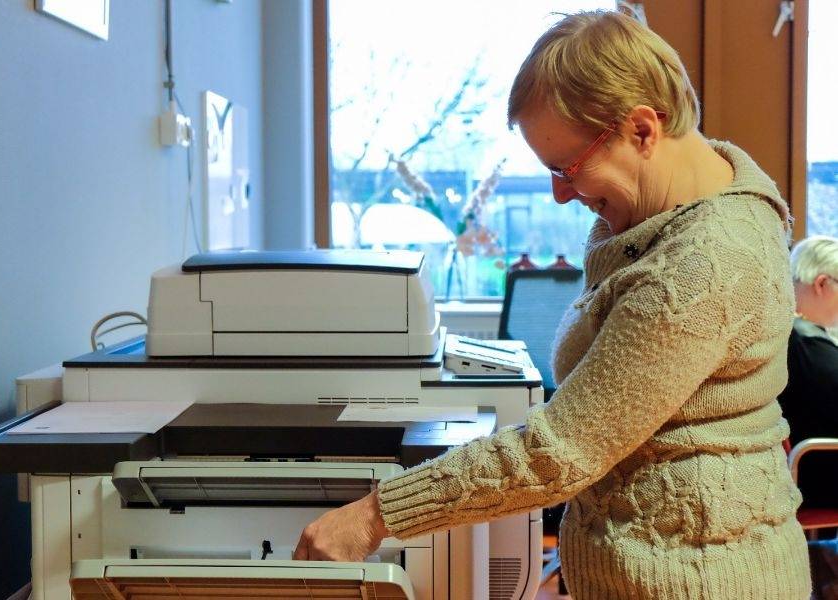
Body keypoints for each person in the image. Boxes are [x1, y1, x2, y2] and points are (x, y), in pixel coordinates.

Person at [295, 10, 811, 598]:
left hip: (696, 581)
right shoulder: (686, 203)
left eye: (566, 167)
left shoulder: (700, 269)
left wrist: (373, 515)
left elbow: (559, 453)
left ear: (643, 130)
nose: (560, 193)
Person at [778, 235, 838, 509]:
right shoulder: (805, 339)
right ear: (823, 283)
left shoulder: (786, 329)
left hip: (808, 465)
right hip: (818, 471)